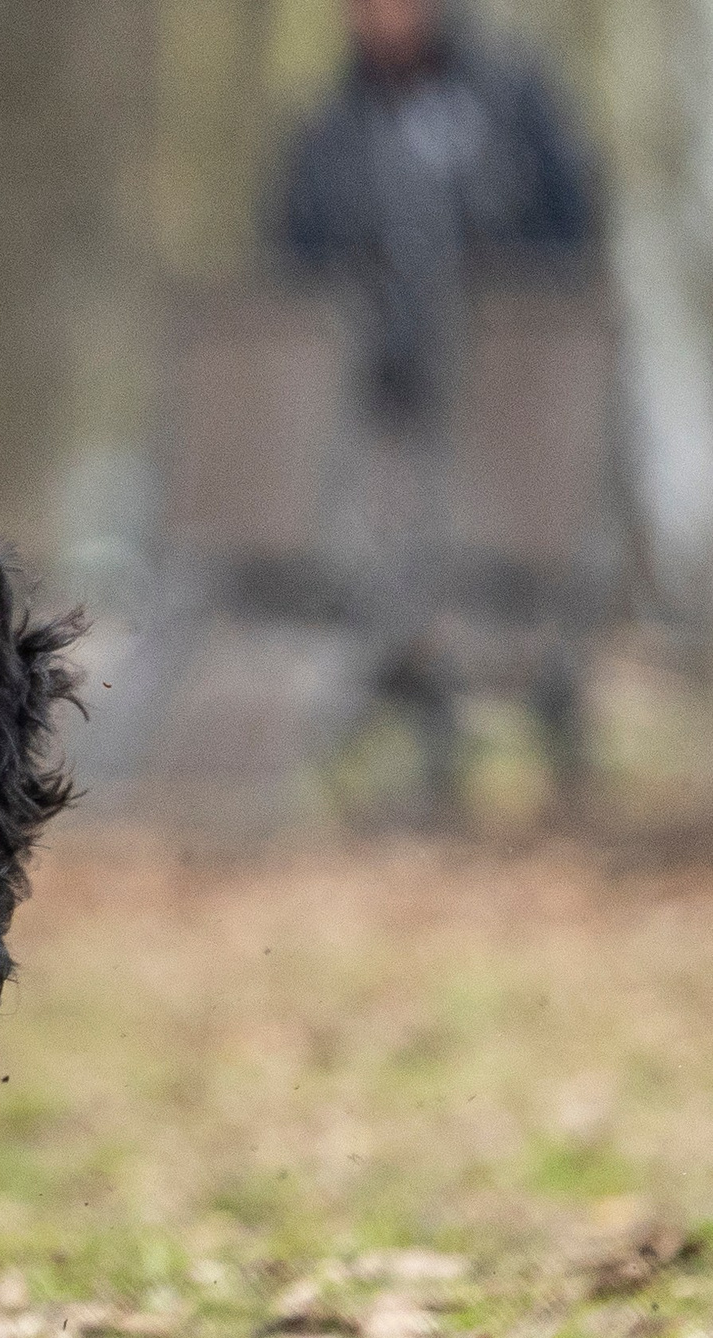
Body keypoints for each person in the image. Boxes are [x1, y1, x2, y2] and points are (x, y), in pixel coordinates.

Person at [273, 0, 602, 817]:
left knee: (528, 576)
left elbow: (575, 227)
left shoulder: (510, 99)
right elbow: (293, 260)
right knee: (397, 564)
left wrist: (522, 322)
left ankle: (561, 745)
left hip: (513, 398)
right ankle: (431, 748)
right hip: (389, 402)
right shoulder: (330, 130)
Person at [277, 0, 597, 424]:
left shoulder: (512, 100)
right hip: (371, 412)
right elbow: (294, 276)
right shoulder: (324, 136)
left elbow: (573, 236)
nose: (387, 14)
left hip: (512, 395)